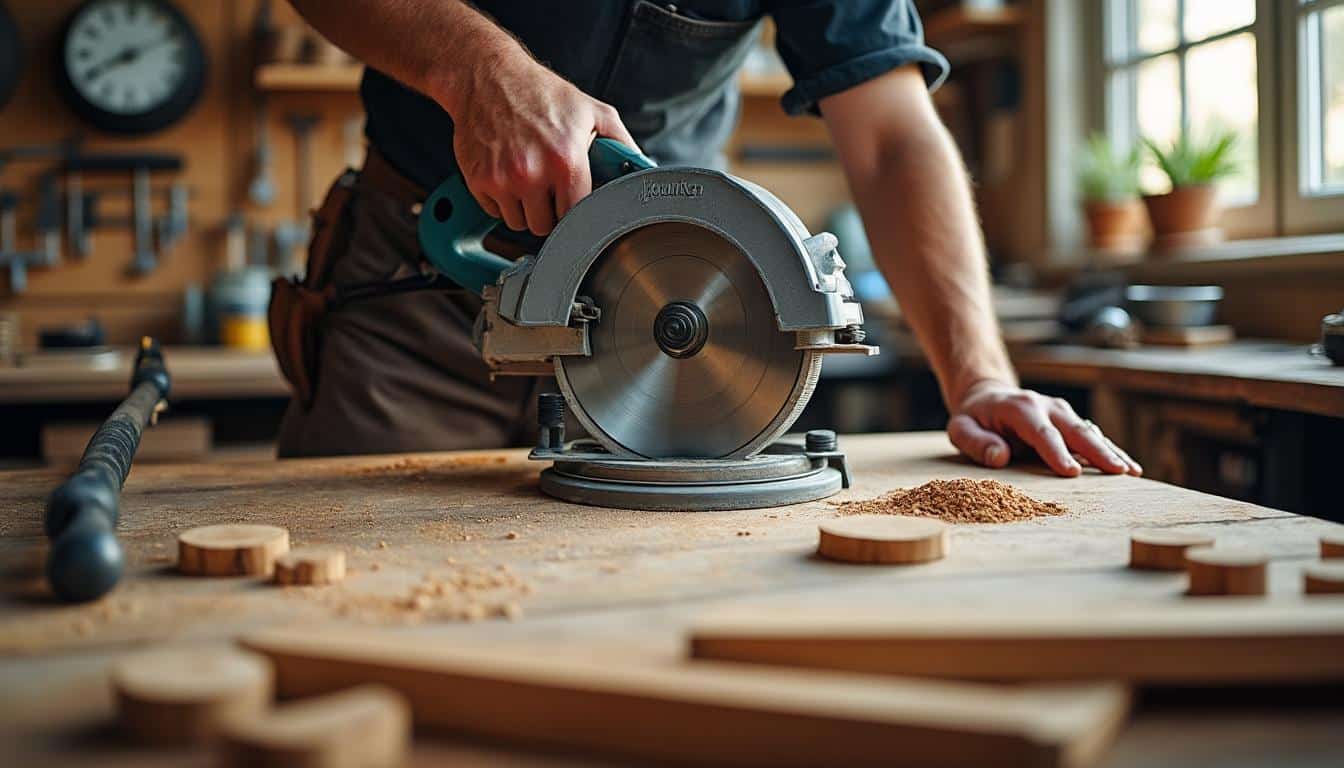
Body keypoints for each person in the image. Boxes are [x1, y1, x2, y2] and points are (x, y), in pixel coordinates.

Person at [273, 0, 1142, 479]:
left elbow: (890, 133)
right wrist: (477, 68)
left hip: (681, 291)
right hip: (431, 276)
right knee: (358, 588)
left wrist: (979, 374)